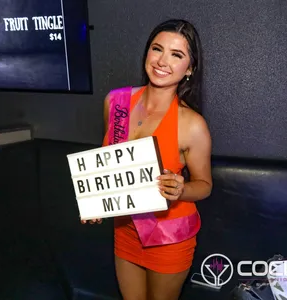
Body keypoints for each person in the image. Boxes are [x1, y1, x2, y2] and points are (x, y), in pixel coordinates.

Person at [81, 19, 212, 300]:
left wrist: (181, 188)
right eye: (157, 49)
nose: (163, 61)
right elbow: (111, 163)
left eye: (176, 55)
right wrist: (97, 201)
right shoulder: (114, 102)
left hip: (169, 236)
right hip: (126, 229)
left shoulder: (192, 124)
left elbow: (204, 184)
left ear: (189, 68)